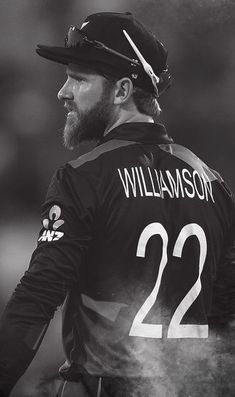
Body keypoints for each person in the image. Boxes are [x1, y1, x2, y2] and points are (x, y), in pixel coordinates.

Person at [0, 11, 235, 397]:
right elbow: (226, 322)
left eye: (78, 79)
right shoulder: (214, 184)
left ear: (123, 90)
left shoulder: (84, 177)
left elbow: (37, 298)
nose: (63, 92)